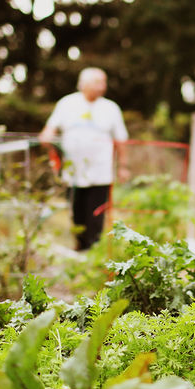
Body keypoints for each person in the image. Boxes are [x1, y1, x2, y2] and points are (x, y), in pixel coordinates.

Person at [39, 68, 128, 251]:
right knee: (77, 214)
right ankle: (80, 246)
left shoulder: (110, 108)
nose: (103, 86)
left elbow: (121, 140)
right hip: (73, 172)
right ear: (84, 84)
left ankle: (93, 250)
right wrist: (47, 138)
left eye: (104, 82)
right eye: (98, 82)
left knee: (95, 216)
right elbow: (49, 130)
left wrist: (123, 166)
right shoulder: (67, 104)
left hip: (101, 173)